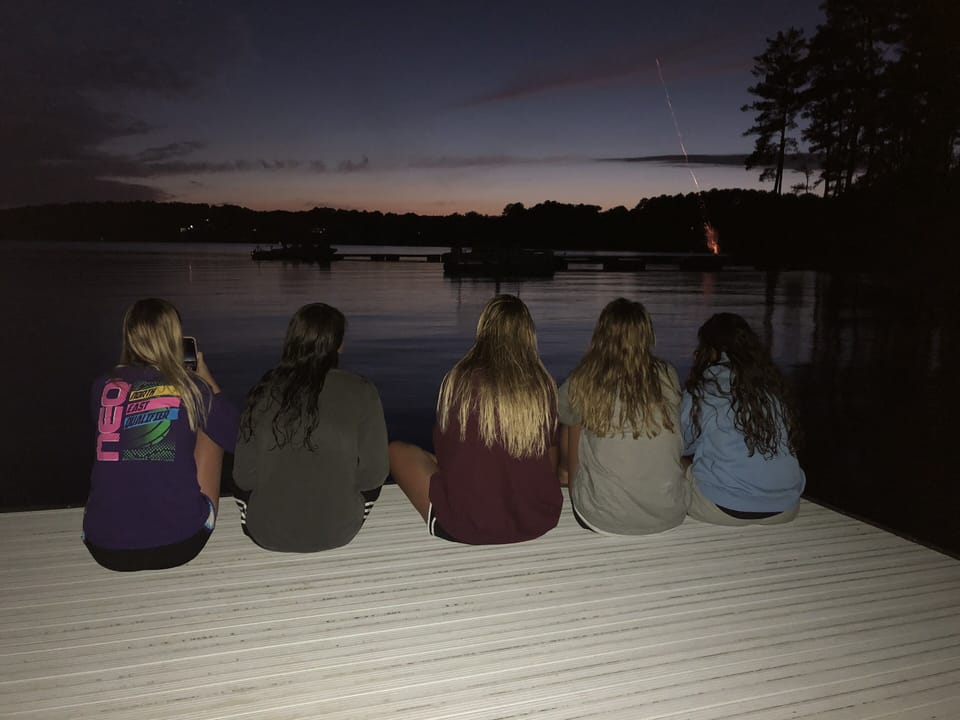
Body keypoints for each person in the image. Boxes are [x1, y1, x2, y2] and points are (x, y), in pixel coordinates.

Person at [389, 294, 562, 544]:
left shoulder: (459, 378)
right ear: (528, 334)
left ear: (484, 328)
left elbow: (446, 452)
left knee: (396, 451)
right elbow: (550, 458)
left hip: (466, 524)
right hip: (535, 519)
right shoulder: (543, 385)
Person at [83, 298, 238, 571]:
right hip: (180, 542)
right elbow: (236, 436)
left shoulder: (101, 387)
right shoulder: (192, 388)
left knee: (121, 437)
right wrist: (204, 376)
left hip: (103, 545)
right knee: (210, 428)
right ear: (174, 338)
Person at [233, 303, 388, 552]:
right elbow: (375, 474)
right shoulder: (362, 390)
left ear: (291, 341)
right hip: (339, 531)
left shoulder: (262, 391)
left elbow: (243, 476)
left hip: (267, 532)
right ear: (339, 345)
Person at [558, 298, 688, 534]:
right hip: (669, 513)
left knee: (574, 419)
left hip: (601, 517)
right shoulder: (667, 373)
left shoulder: (586, 377)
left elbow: (555, 410)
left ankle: (568, 478)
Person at [681, 312, 806, 525]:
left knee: (673, 460)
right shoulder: (772, 388)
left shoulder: (704, 389)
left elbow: (680, 444)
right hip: (786, 507)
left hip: (721, 508)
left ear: (708, 350)